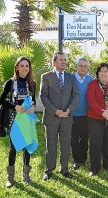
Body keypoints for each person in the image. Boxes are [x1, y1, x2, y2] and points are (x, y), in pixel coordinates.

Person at [40, 51, 80, 180]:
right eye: (61, 59)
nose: (64, 62)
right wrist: (55, 111)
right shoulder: (46, 77)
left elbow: (76, 95)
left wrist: (69, 110)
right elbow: (43, 96)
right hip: (52, 117)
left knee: (65, 145)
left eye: (65, 59)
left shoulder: (71, 77)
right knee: (50, 145)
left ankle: (64, 169)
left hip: (67, 117)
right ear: (54, 62)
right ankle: (49, 170)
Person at [0, 56, 36, 188]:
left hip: (27, 119)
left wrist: (32, 107)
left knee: (27, 147)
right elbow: (2, 100)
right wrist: (14, 106)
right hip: (14, 119)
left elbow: (34, 100)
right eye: (22, 66)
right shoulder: (10, 82)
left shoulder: (32, 83)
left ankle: (26, 176)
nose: (25, 68)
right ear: (17, 67)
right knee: (13, 148)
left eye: (27, 66)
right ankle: (10, 177)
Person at [71, 58, 94, 170]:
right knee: (74, 138)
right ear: (77, 66)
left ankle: (84, 159)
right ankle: (76, 160)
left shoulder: (91, 79)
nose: (83, 68)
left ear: (88, 68)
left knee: (84, 138)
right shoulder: (70, 78)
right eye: (81, 66)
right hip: (73, 114)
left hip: (86, 115)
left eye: (85, 66)